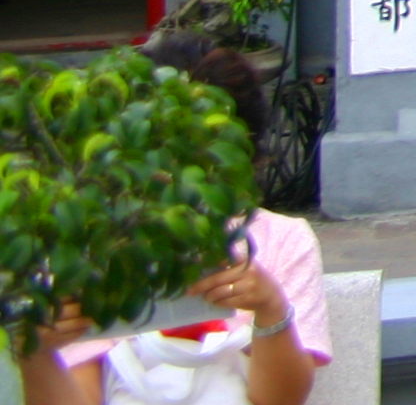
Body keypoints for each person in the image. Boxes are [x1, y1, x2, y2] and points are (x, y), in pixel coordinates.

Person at [16, 34, 331, 403]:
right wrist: (36, 353)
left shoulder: (283, 240)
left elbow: (280, 401)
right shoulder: (91, 249)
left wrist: (270, 308)